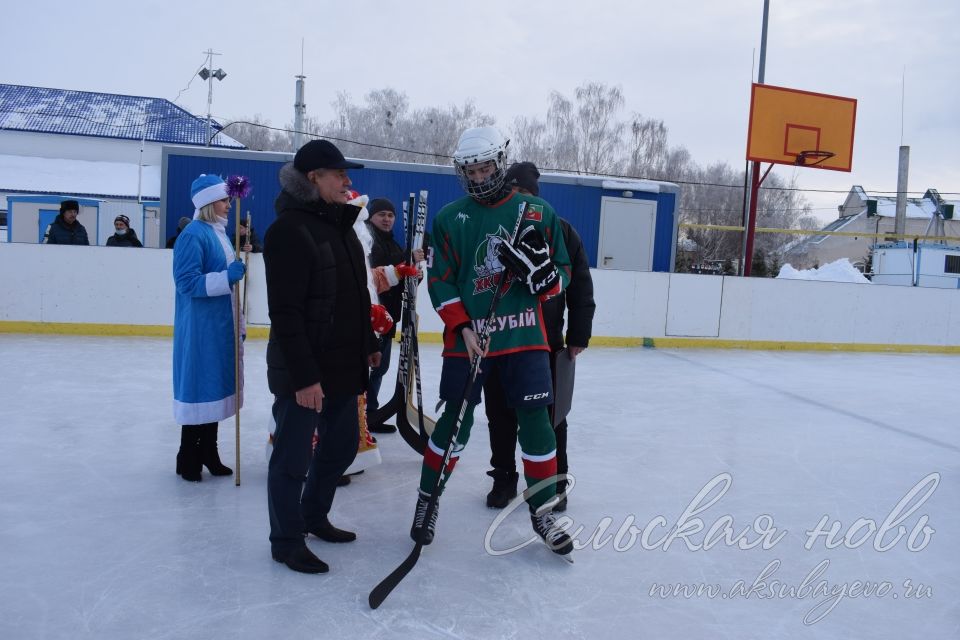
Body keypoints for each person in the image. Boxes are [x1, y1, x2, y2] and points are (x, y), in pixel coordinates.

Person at [409, 126, 574, 557]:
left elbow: (563, 272)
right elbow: (440, 280)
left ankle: (544, 511)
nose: (480, 178)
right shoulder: (449, 219)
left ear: (500, 162)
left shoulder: (537, 211)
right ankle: (428, 501)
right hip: (469, 342)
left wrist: (547, 280)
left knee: (538, 423)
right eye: (472, 171)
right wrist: (462, 325)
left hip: (524, 336)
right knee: (454, 424)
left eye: (485, 168)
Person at [263, 139, 380, 574]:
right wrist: (304, 377)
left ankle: (314, 515)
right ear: (314, 178)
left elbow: (355, 296)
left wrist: (368, 340)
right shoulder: (289, 231)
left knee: (342, 445)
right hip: (305, 372)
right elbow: (286, 313)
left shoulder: (341, 227)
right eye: (339, 174)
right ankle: (286, 539)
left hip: (343, 364)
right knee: (292, 459)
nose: (347, 181)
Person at [483, 162, 595, 512]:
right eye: (513, 193)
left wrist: (578, 333)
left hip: (545, 343)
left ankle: (553, 483)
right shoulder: (493, 229)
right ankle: (504, 478)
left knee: (551, 418)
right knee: (500, 416)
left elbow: (580, 287)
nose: (520, 201)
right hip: (499, 342)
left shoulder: (560, 230)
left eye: (526, 194)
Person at [172, 175, 246, 482]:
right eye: (224, 200)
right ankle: (188, 455)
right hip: (201, 328)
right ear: (207, 203)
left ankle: (209, 451)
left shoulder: (219, 234)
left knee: (214, 387)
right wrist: (226, 277)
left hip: (219, 325)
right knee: (200, 386)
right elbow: (186, 282)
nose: (229, 205)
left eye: (228, 200)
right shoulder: (193, 234)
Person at [365, 197, 424, 434]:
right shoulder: (368, 240)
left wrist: (413, 278)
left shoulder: (392, 243)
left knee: (380, 368)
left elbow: (397, 279)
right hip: (373, 317)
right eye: (382, 215)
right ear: (371, 216)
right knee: (372, 368)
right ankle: (364, 415)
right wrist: (405, 262)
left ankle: (371, 413)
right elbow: (377, 274)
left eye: (391, 215)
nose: (387, 219)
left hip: (388, 318)